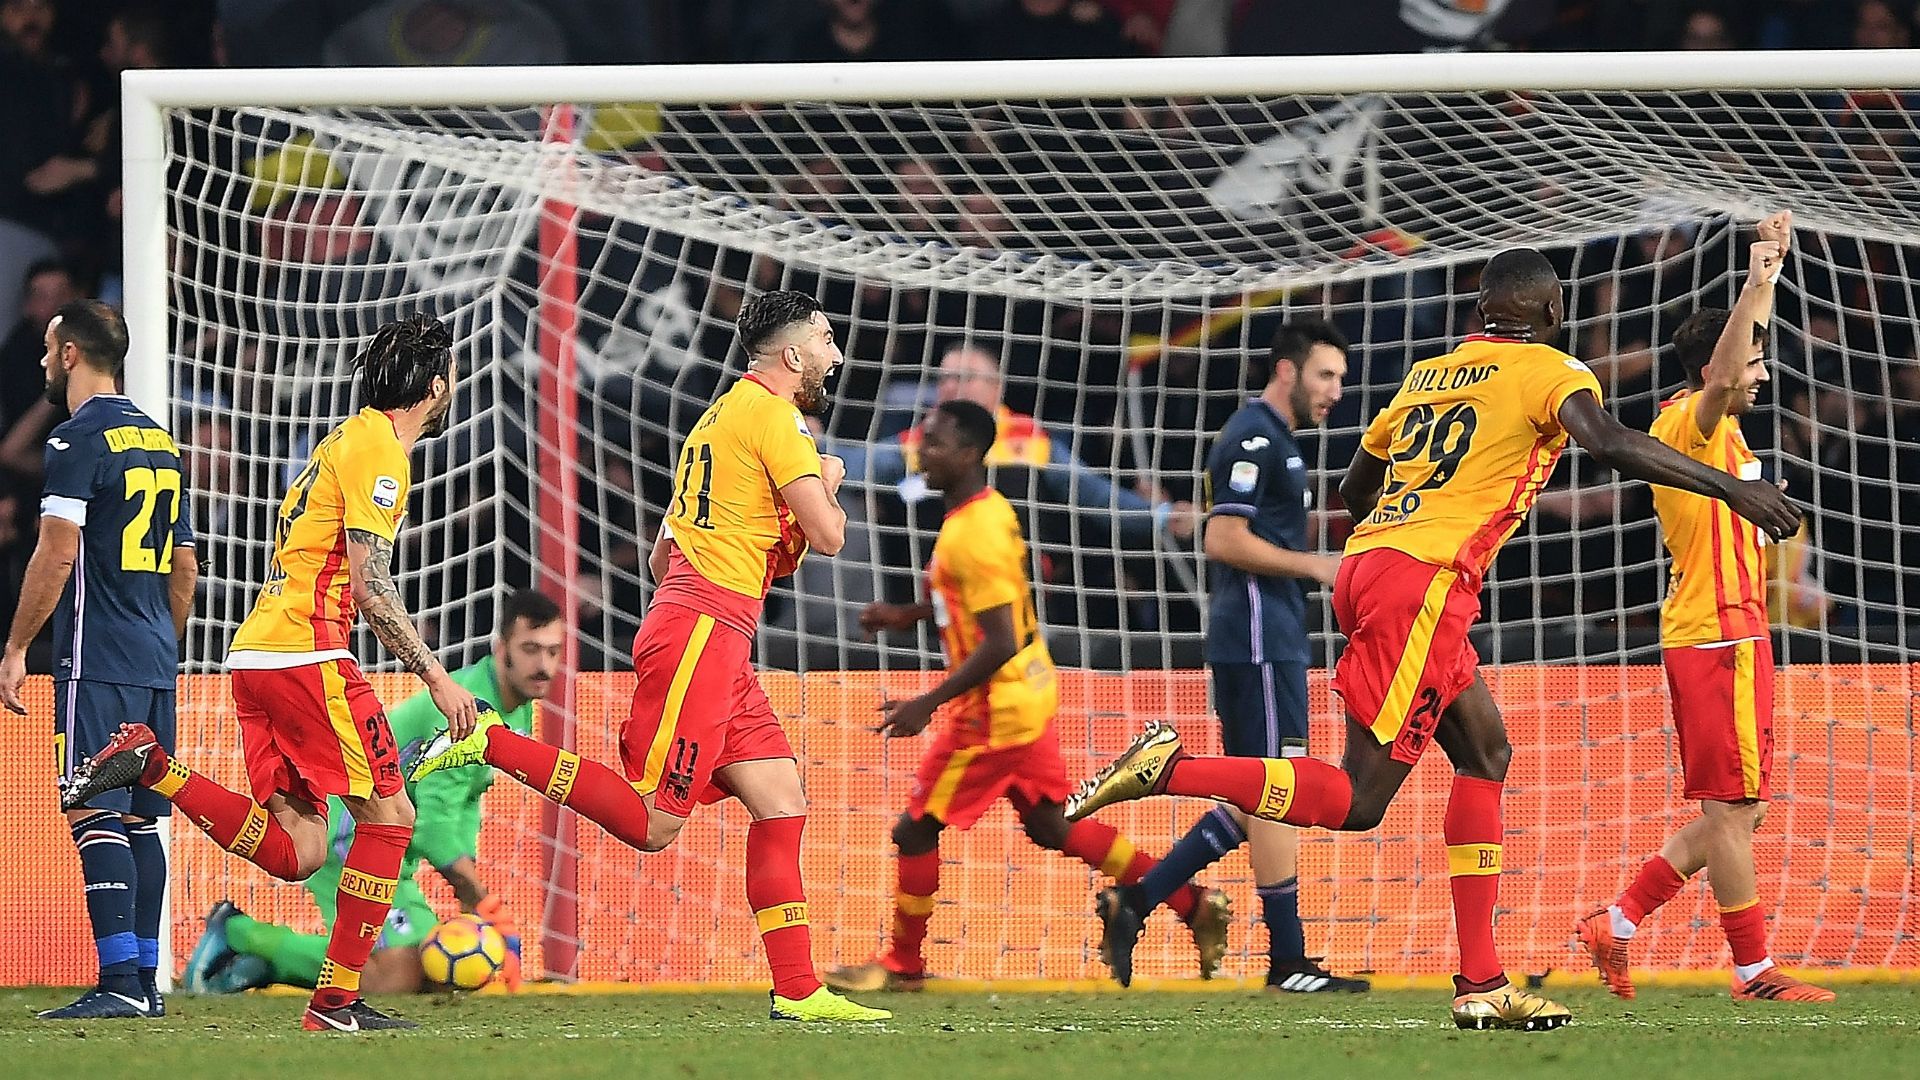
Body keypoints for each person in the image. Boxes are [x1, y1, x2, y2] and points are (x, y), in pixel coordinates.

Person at [1064, 247, 1801, 1031]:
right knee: (1358, 801)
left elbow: (1355, 485)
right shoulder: (1552, 370)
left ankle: (1482, 981)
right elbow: (1610, 442)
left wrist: (1403, 536)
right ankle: (1173, 768)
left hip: (1378, 567)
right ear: (1553, 314)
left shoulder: (1427, 375)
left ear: (1481, 311)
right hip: (1422, 585)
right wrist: (1736, 489)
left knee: (1487, 753)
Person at [411, 291, 888, 1023]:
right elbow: (829, 536)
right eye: (826, 340)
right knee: (653, 824)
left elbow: (665, 557)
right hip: (704, 632)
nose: (836, 353)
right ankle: (486, 740)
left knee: (781, 799)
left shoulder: (718, 420)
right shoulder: (778, 419)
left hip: (708, 630)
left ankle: (798, 989)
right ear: (793, 356)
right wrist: (828, 481)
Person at [61, 313, 479, 1033]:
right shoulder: (381, 450)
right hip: (307, 655)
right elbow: (372, 588)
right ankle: (335, 1004)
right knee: (393, 817)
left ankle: (153, 767)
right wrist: (437, 678)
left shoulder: (342, 440)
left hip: (257, 655)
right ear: (437, 387)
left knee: (300, 852)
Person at [821, 399, 1228, 994]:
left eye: (934, 443)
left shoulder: (974, 533)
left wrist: (926, 702)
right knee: (1051, 824)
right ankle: (1191, 902)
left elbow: (1001, 641)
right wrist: (907, 614)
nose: (920, 453)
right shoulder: (985, 511)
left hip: (995, 711)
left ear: (969, 453)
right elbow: (982, 603)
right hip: (1028, 695)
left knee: (914, 830)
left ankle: (903, 965)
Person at [1578, 213, 1835, 1005]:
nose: (1762, 375)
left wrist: (1772, 273)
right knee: (1731, 811)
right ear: (1712, 369)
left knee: (1742, 812)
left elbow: (1730, 371)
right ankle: (1753, 971)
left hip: (1736, 632)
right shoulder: (1686, 424)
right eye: (1755, 361)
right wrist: (1757, 276)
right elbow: (1724, 378)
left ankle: (1617, 922)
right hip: (1713, 634)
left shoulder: (1722, 441)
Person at [1096, 319, 1367, 993]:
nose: (1335, 390)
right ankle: (1288, 960)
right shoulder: (1252, 436)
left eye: (1340, 377)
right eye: (1325, 374)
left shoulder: (1279, 440)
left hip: (1271, 634)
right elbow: (1222, 539)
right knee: (1282, 789)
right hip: (1255, 637)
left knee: (1262, 793)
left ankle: (1138, 900)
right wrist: (1316, 565)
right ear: (1286, 370)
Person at [185, 589, 566, 996]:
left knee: (427, 970)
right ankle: (240, 935)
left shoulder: (516, 708)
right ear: (502, 649)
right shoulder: (469, 709)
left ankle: (261, 963)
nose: (543, 666)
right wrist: (482, 901)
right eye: (530, 650)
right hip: (354, 826)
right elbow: (434, 828)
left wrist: (469, 889)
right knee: (398, 975)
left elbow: (466, 799)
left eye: (553, 652)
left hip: (390, 840)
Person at [0, 300, 193, 1019]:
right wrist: (161, 640)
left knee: (93, 810)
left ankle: (118, 984)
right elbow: (184, 565)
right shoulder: (162, 442)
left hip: (97, 654)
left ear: (72, 354)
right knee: (140, 818)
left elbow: (57, 551)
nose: (43, 361)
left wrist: (17, 646)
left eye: (49, 349)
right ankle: (143, 982)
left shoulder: (76, 439)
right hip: (153, 656)